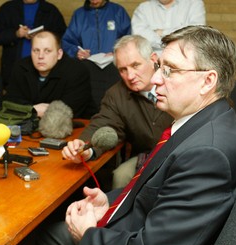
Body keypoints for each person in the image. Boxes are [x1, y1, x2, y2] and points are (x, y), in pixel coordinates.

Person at [9, 25, 236, 245]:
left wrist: (88, 235)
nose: (155, 79)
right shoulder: (204, 121)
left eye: (170, 70)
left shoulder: (206, 154)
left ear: (208, 81)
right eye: (160, 69)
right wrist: (109, 202)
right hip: (135, 226)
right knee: (49, 237)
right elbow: (154, 193)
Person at [62, 34, 173, 189]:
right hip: (147, 156)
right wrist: (84, 148)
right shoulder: (116, 94)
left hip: (182, 152)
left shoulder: (176, 81)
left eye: (135, 65)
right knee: (120, 175)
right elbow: (103, 124)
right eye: (123, 70)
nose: (130, 76)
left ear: (153, 59)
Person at [3, 31, 92, 119]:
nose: (40, 56)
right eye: (36, 50)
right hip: (25, 126)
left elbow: (71, 109)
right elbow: (10, 103)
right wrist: (33, 110)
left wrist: (29, 110)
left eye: (47, 51)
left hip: (71, 127)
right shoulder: (21, 67)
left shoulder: (77, 71)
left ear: (59, 54)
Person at [0, 0, 66, 87]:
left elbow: (62, 37)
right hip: (13, 68)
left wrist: (43, 36)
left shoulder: (50, 10)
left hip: (44, 70)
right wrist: (16, 34)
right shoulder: (8, 8)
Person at [62, 0, 131, 60]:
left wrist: (117, 53)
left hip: (114, 63)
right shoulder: (79, 14)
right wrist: (77, 52)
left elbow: (129, 38)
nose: (94, 2)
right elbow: (67, 41)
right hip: (87, 64)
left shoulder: (118, 11)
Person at [131, 0, 206, 54]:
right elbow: (140, 38)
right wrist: (176, 39)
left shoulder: (195, 4)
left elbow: (196, 32)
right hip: (152, 65)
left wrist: (162, 32)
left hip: (185, 63)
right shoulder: (143, 8)